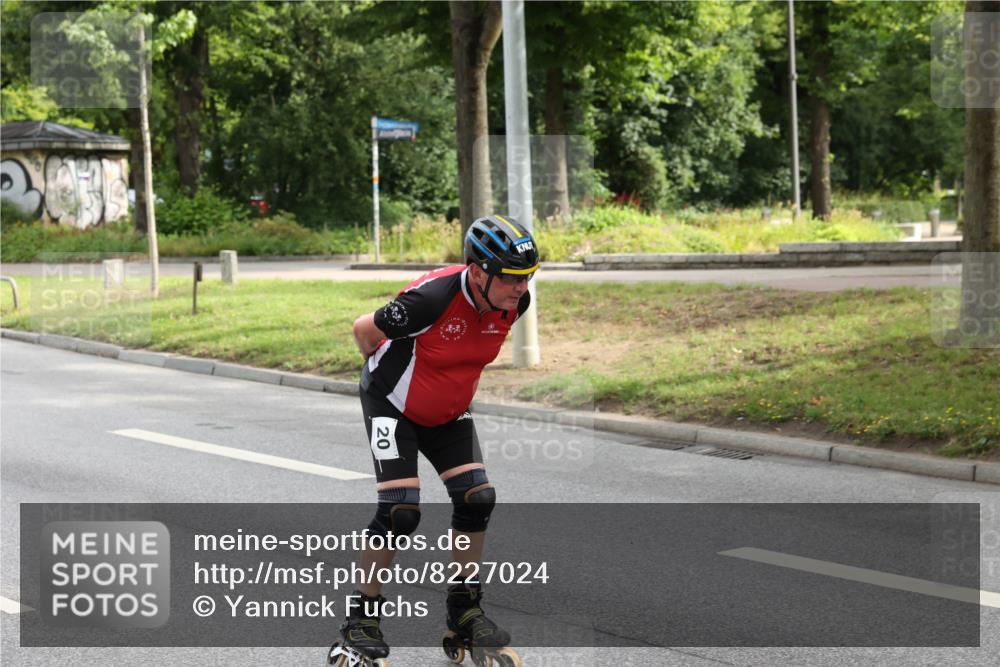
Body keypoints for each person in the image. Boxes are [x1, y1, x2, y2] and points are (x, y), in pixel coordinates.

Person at [328, 214, 538, 667]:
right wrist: (395, 381)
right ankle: (361, 620)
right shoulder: (429, 300)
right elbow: (364, 331)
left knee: (477, 498)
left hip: (448, 411)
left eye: (528, 277)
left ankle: (464, 612)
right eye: (511, 277)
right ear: (477, 272)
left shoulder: (513, 302)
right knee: (400, 510)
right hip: (392, 403)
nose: (521, 288)